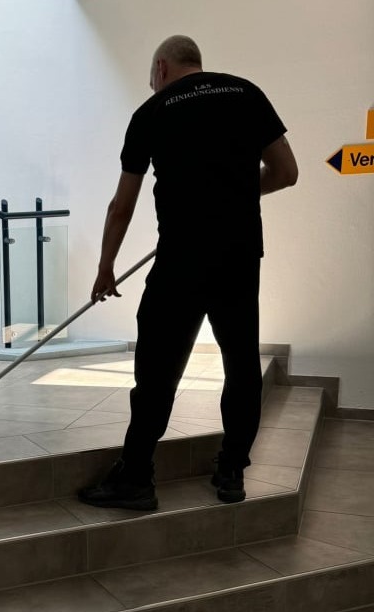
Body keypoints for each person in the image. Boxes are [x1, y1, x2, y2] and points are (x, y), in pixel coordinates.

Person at [79, 35, 298, 510]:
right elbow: (286, 172)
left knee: (157, 370)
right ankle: (232, 471)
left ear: (161, 67)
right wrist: (236, 196)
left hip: (181, 261)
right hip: (239, 257)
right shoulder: (246, 93)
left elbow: (122, 206)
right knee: (242, 364)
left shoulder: (152, 112)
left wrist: (106, 266)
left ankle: (136, 478)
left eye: (150, 77)